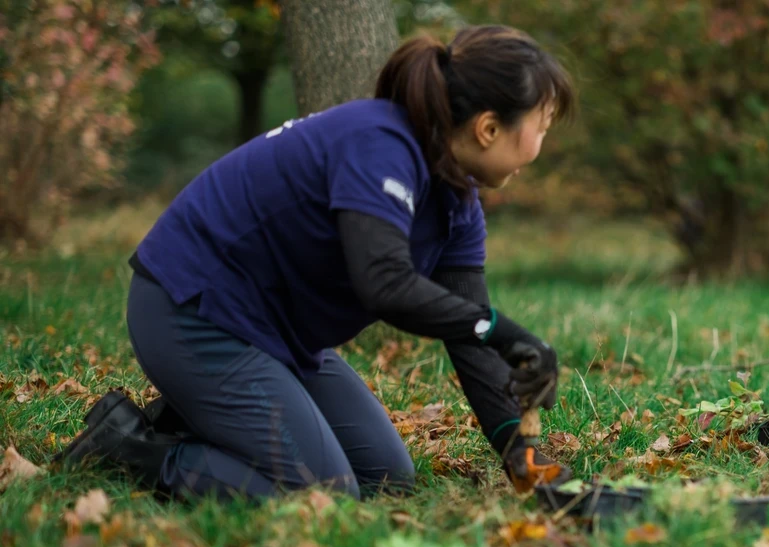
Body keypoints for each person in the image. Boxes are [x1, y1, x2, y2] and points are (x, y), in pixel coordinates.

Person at [57, 25, 576, 500]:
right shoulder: (383, 145)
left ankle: (200, 418)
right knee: (323, 494)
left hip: (277, 337)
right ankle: (125, 450)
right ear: (488, 128)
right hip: (192, 311)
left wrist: (520, 454)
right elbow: (386, 284)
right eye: (542, 124)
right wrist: (503, 331)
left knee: (386, 479)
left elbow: (469, 328)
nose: (542, 142)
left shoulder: (456, 201)